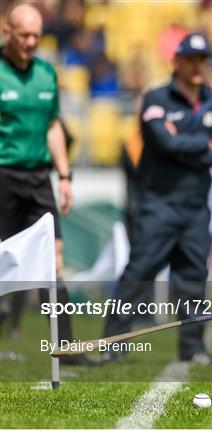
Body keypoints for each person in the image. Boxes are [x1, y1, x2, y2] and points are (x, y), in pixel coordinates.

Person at [102, 33, 212, 364]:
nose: (198, 66)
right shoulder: (157, 98)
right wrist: (203, 144)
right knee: (139, 273)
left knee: (193, 279)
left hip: (194, 209)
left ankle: (192, 347)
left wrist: (185, 143)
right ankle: (113, 342)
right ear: (176, 62)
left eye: (203, 60)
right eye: (192, 59)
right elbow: (164, 143)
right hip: (158, 205)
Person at [0, 2, 88, 364]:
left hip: (39, 178)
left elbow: (54, 126)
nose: (32, 42)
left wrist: (64, 176)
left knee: (55, 259)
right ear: (8, 32)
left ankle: (66, 347)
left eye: (37, 35)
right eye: (25, 35)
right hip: (3, 177)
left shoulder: (46, 74)